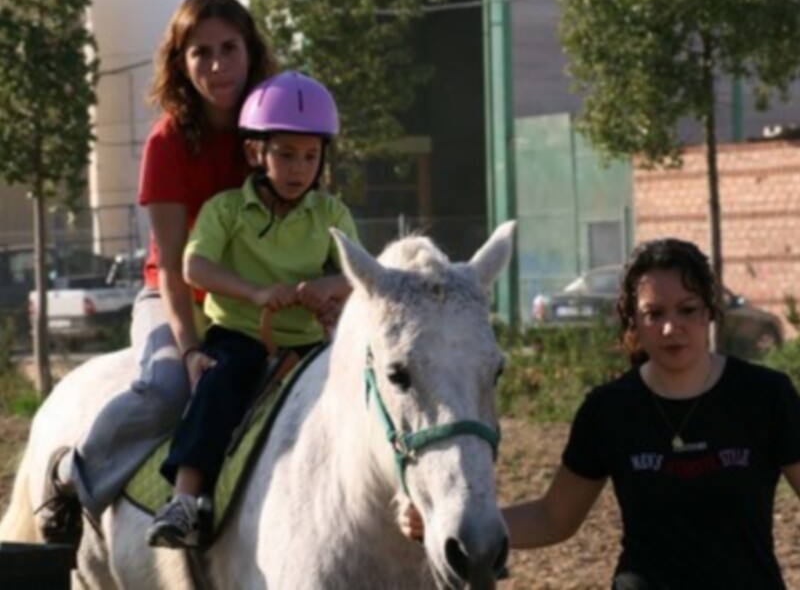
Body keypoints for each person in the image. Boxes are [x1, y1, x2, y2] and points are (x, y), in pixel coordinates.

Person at [402, 238, 800, 589]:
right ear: (632, 322)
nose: (670, 328)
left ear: (709, 312)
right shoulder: (609, 409)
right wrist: (452, 525)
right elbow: (553, 517)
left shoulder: (766, 396)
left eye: (686, 309)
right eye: (654, 313)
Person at [35, 0, 277, 547]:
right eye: (201, 52)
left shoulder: (271, 129)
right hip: (174, 296)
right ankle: (75, 475)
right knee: (170, 386)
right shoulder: (169, 142)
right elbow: (169, 267)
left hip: (246, 299)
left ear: (251, 51)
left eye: (229, 48)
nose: (217, 65)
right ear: (179, 62)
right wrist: (191, 350)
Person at [146, 70, 359, 549]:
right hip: (240, 334)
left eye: (310, 155)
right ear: (254, 153)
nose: (298, 168)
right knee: (219, 384)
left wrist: (326, 287)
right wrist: (258, 294)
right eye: (285, 154)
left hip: (306, 343)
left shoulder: (332, 216)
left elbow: (356, 274)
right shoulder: (225, 210)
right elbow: (193, 266)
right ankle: (184, 499)